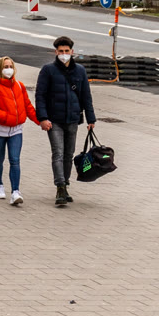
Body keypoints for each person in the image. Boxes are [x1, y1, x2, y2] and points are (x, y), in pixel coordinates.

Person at [33, 35, 97, 207]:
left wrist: (91, 118)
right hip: (54, 121)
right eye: (60, 51)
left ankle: (65, 184)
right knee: (58, 153)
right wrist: (43, 118)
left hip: (73, 119)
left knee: (69, 155)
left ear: (72, 51)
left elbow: (86, 96)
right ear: (56, 52)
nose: (64, 54)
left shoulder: (80, 71)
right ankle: (60, 186)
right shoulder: (48, 70)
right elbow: (40, 95)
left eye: (66, 51)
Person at [0, 55, 38, 206]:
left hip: (16, 130)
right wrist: (6, 117)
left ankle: (15, 192)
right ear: (0, 69)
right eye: (5, 67)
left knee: (15, 160)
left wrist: (40, 121)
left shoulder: (19, 86)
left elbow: (28, 106)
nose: (9, 69)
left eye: (11, 67)